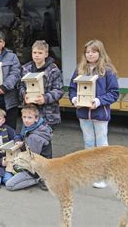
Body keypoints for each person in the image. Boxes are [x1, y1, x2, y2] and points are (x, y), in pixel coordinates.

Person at [69, 39, 119, 189]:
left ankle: (104, 175)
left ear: (100, 53)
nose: (90, 55)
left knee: (101, 144)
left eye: (93, 51)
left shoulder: (107, 70)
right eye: (87, 52)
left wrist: (98, 101)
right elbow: (72, 88)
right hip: (84, 114)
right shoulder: (80, 69)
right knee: (89, 143)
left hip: (100, 114)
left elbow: (114, 93)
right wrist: (74, 99)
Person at [5, 104, 52, 191]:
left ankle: (38, 179)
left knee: (9, 185)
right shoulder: (34, 126)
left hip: (37, 167)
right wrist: (19, 140)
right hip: (42, 163)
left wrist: (21, 146)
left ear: (36, 118)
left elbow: (32, 157)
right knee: (14, 168)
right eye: (24, 117)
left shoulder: (34, 137)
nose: (26, 120)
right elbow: (20, 135)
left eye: (29, 117)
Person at [20, 40, 63, 128]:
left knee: (44, 139)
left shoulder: (53, 70)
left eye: (40, 53)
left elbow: (59, 90)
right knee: (28, 138)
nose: (36, 55)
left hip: (48, 113)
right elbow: (20, 86)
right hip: (29, 112)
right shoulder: (26, 69)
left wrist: (45, 98)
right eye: (34, 52)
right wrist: (24, 95)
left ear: (46, 54)